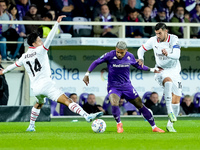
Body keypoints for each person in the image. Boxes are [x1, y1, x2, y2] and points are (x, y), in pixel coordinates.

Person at [0, 15, 103, 132]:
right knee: (67, 101)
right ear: (34, 44)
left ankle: (31, 126)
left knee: (39, 103)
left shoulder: (24, 56)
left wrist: (3, 71)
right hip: (46, 85)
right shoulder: (41, 50)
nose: (41, 41)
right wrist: (56, 23)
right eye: (39, 40)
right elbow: (49, 38)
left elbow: (14, 65)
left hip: (36, 88)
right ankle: (87, 116)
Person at [83, 41, 165, 133]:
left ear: (126, 50)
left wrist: (152, 69)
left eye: (121, 52)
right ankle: (119, 124)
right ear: (115, 49)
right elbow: (96, 62)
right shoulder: (110, 55)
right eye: (117, 51)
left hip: (127, 86)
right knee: (114, 102)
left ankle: (154, 127)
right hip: (113, 86)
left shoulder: (130, 56)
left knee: (140, 105)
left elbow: (139, 66)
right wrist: (87, 74)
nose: (119, 54)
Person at [137, 22, 182, 132]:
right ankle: (169, 111)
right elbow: (141, 49)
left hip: (175, 70)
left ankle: (170, 125)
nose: (158, 36)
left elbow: (177, 55)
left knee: (176, 101)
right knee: (168, 81)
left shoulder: (174, 39)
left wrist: (168, 54)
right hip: (161, 70)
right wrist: (141, 58)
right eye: (156, 33)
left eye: (160, 33)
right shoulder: (153, 40)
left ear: (166, 31)